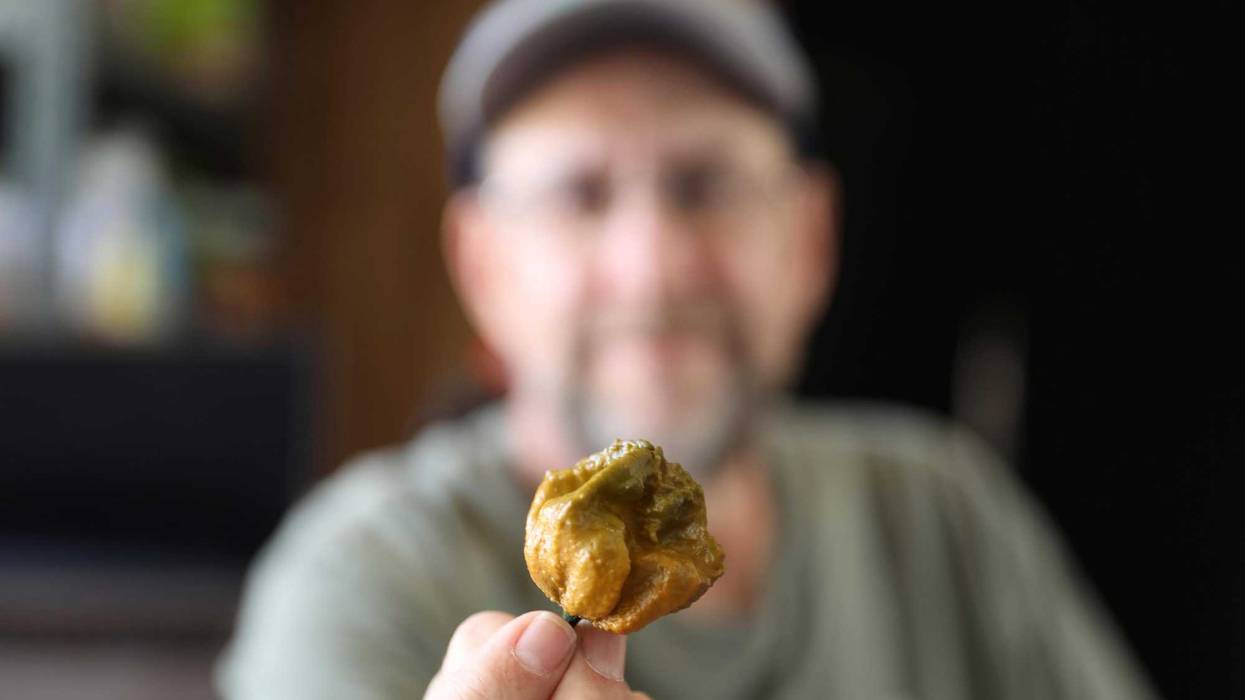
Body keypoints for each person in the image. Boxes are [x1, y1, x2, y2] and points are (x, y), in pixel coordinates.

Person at [217, 1, 1155, 698]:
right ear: (483, 264)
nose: (652, 269)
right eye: (580, 194)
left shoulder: (948, 518)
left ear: (811, 241)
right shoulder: (362, 581)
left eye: (704, 183)